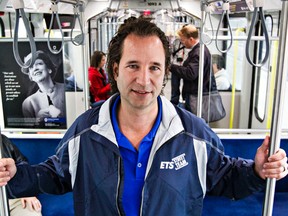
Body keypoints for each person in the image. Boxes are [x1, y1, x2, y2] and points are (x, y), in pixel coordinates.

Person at [0, 17, 287, 216]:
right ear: (115, 70)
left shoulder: (192, 134)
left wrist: (257, 171)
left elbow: (225, 176)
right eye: (133, 66)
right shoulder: (86, 131)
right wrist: (17, 176)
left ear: (164, 73)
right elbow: (56, 174)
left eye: (154, 68)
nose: (144, 79)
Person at [170, 24, 218, 112]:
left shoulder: (198, 53)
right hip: (195, 95)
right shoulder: (199, 50)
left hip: (196, 97)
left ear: (191, 39)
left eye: (183, 40)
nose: (182, 43)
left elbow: (190, 73)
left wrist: (171, 67)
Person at [0, 134, 42, 216]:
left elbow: (22, 165)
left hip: (11, 197)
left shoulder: (3, 141)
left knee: (31, 211)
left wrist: (26, 191)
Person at [21, 50, 66, 122]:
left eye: (39, 63)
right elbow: (29, 131)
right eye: (31, 67)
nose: (35, 68)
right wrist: (38, 121)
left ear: (49, 69)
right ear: (31, 77)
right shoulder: (28, 103)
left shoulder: (66, 90)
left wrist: (61, 117)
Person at [170, 37, 191, 106]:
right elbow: (171, 53)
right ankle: (174, 103)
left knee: (186, 86)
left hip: (185, 67)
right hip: (176, 66)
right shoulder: (176, 41)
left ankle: (185, 100)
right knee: (175, 85)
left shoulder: (189, 42)